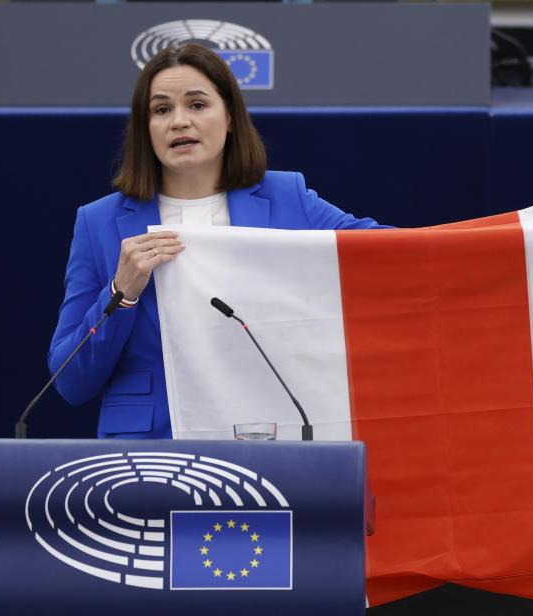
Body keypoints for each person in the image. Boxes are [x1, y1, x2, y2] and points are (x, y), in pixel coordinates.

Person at [49, 44, 386, 439]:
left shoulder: (288, 198)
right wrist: (119, 295)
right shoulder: (100, 223)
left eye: (196, 105)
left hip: (267, 440)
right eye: (161, 110)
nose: (179, 121)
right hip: (150, 450)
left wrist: (475, 243)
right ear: (146, 130)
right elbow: (70, 380)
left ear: (229, 117)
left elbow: (387, 256)